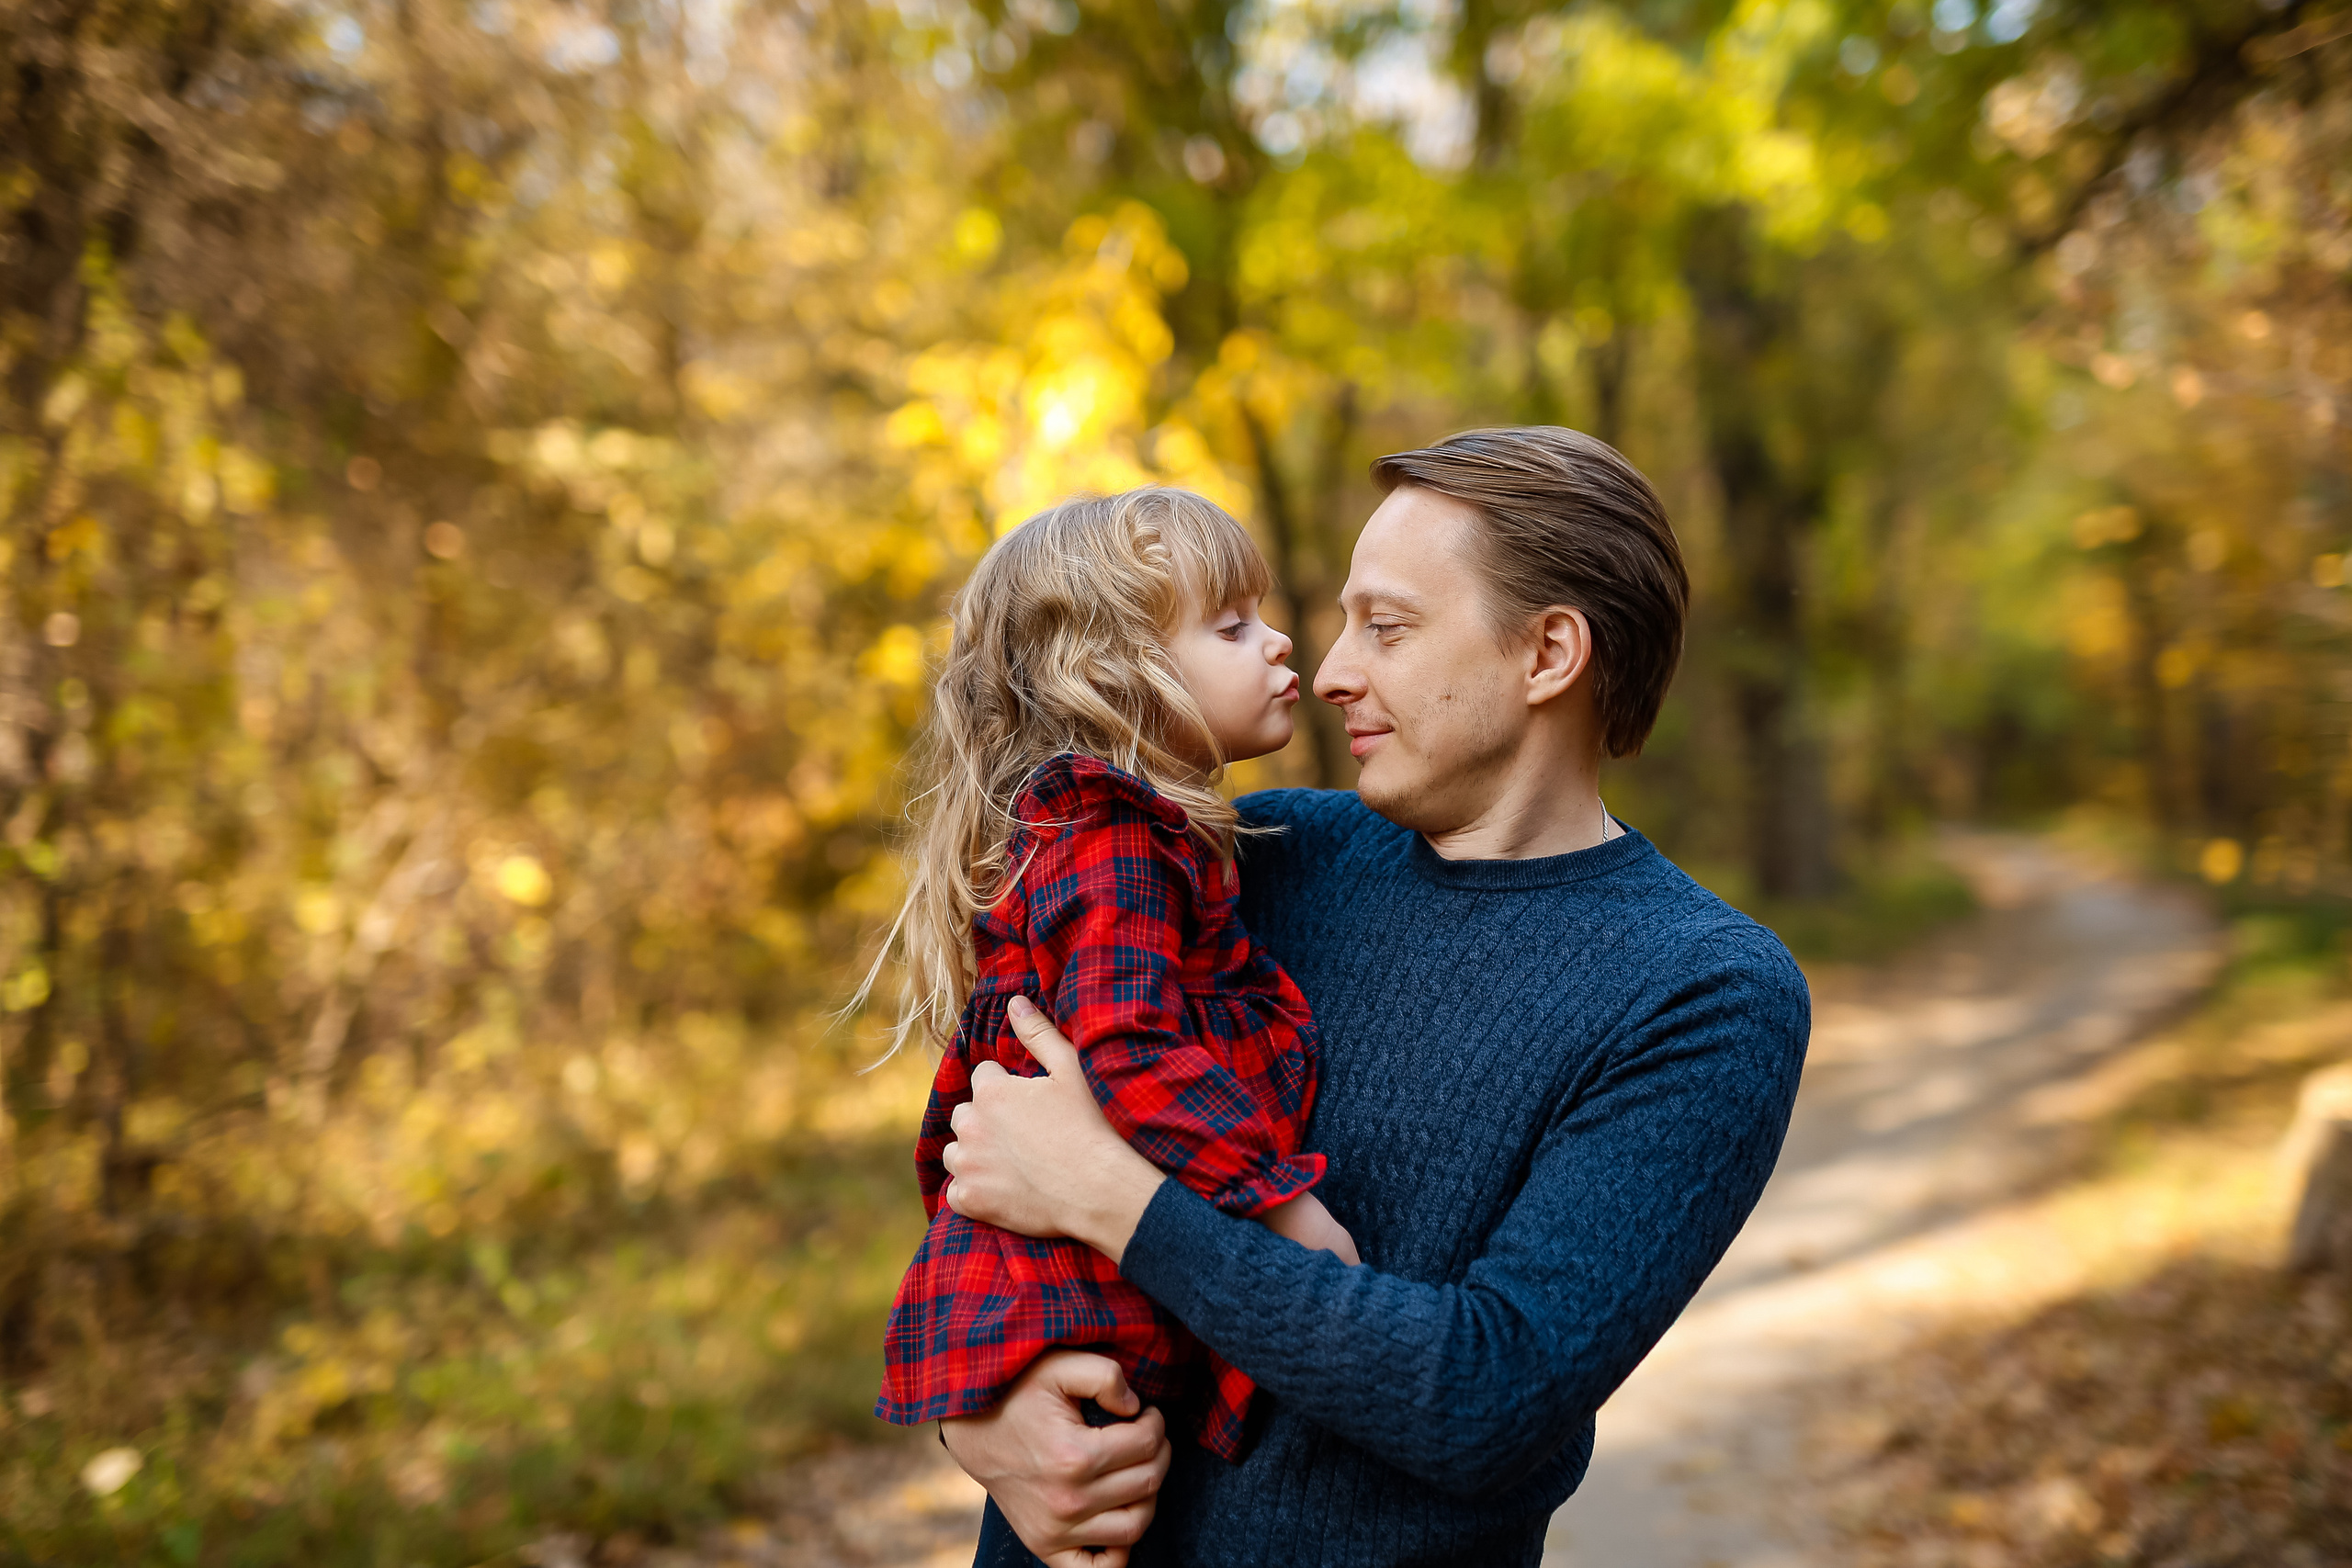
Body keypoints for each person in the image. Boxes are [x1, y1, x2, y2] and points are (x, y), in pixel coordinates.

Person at [933, 427, 1814, 1567]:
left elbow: (1488, 1394)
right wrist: (981, 1414)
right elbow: (993, 1127)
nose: (1333, 669)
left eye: (1387, 628)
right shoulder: (1255, 853)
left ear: (1548, 653)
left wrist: (1117, 1201)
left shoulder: (1701, 991)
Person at [864, 489, 1363, 1549]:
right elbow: (1126, 1047)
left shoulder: (1145, 838)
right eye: (1229, 627)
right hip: (1075, 1283)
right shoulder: (1111, 839)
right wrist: (1276, 1208)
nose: (1281, 644)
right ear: (1114, 676)